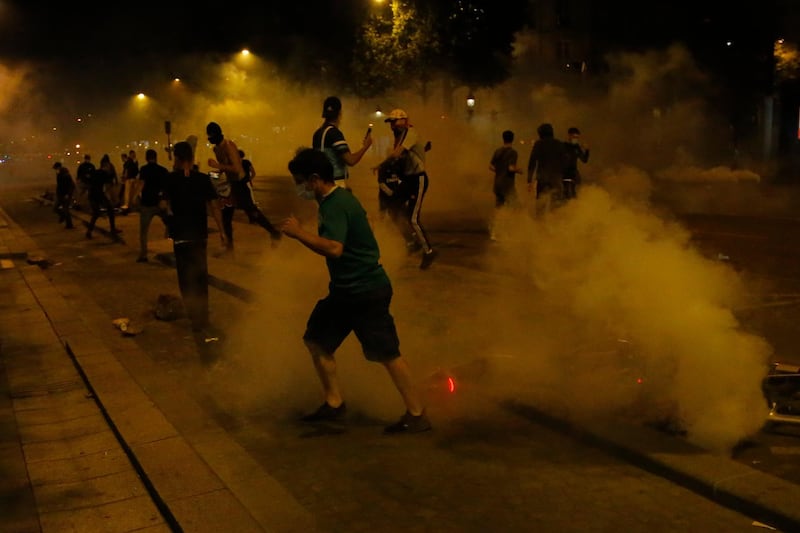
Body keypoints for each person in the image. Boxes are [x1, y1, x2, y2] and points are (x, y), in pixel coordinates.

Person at [281, 147, 431, 434]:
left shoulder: (337, 204)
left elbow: (335, 249)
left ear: (314, 178)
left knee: (388, 353)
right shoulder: (331, 201)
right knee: (316, 340)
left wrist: (299, 232)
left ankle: (417, 413)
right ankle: (335, 403)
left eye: (300, 181)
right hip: (344, 291)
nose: (299, 188)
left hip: (365, 290)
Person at [163, 141, 226, 339]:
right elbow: (215, 206)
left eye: (175, 158)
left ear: (179, 159)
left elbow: (165, 205)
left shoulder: (171, 179)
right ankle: (202, 317)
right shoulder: (202, 179)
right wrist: (222, 232)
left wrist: (169, 221)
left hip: (181, 238)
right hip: (199, 237)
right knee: (200, 276)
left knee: (185, 278)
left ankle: (194, 315)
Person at [376, 108, 437, 269]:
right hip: (409, 180)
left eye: (394, 122)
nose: (392, 126)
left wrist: (381, 164)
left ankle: (428, 251)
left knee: (413, 218)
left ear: (403, 121)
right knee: (393, 207)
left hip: (418, 179)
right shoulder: (400, 136)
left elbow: (397, 154)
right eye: (391, 123)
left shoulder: (410, 132)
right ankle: (411, 241)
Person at [206, 122, 281, 252]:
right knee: (226, 217)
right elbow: (226, 167)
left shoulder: (229, 146)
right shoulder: (216, 149)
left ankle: (274, 232)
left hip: (239, 185)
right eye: (209, 135)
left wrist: (217, 166)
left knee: (252, 212)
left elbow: (236, 168)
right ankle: (229, 249)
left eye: (212, 135)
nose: (210, 138)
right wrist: (217, 174)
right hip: (230, 186)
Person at [312, 95, 372, 189]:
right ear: (339, 113)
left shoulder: (317, 133)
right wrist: (366, 146)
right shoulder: (334, 133)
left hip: (322, 183)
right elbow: (351, 161)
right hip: (334, 184)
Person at [136, 148, 170, 263]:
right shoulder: (163, 170)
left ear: (146, 158)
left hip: (146, 204)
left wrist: (134, 198)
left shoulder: (144, 169)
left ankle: (143, 254)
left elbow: (141, 184)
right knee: (170, 224)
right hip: (160, 204)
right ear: (156, 157)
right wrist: (164, 200)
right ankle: (170, 246)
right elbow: (167, 188)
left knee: (144, 231)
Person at [526, 123, 568, 215]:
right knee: (556, 204)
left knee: (541, 205)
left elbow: (532, 162)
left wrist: (529, 181)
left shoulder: (538, 144)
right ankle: (556, 225)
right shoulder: (559, 144)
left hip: (542, 179)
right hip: (556, 178)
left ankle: (540, 226)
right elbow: (565, 162)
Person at [488, 130, 522, 240]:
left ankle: (495, 232)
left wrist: (499, 171)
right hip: (507, 184)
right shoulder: (513, 152)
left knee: (499, 208)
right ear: (513, 139)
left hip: (497, 184)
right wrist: (519, 170)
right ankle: (512, 231)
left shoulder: (497, 151)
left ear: (503, 138)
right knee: (515, 208)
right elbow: (511, 168)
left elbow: (491, 166)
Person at [85, 154, 120, 239]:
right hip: (98, 195)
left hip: (92, 195)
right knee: (110, 210)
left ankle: (89, 231)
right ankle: (112, 229)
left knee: (96, 214)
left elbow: (88, 180)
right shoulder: (103, 174)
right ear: (106, 166)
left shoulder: (95, 172)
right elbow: (110, 179)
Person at [563, 126, 590, 200]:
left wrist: (587, 150)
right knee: (565, 196)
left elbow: (584, 160)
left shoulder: (577, 147)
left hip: (573, 176)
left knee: (573, 196)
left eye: (577, 137)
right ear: (569, 135)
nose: (575, 139)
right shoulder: (563, 146)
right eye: (574, 136)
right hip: (564, 176)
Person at [52, 162, 75, 229]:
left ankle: (69, 225)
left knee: (66, 210)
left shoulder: (66, 175)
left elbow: (71, 185)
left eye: (56, 168)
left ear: (59, 167)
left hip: (66, 195)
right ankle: (63, 216)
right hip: (60, 194)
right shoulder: (59, 174)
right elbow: (60, 185)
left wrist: (68, 194)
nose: (55, 170)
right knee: (55, 208)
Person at [120, 149, 140, 213]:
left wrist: (124, 177)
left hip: (129, 179)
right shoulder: (134, 161)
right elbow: (136, 170)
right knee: (136, 191)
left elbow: (126, 171)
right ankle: (138, 203)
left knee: (127, 193)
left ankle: (126, 205)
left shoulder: (128, 162)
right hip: (134, 178)